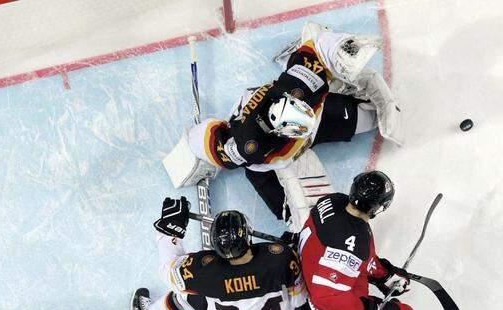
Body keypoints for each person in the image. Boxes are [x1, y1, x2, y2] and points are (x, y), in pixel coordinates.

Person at [163, 22, 403, 233]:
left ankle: (320, 82)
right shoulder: (248, 146)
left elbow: (319, 45)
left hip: (313, 122)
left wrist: (345, 51)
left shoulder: (302, 84)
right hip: (265, 162)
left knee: (368, 118)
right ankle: (286, 213)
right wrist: (196, 153)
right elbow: (205, 140)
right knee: (278, 196)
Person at [297, 171, 447, 310]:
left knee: (355, 282)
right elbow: (328, 296)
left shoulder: (332, 200)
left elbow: (361, 259)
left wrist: (385, 275)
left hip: (309, 272)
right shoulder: (355, 243)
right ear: (377, 207)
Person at [128, 197, 309, 310]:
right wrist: (296, 250)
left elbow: (168, 269)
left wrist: (169, 230)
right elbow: (299, 300)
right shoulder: (280, 258)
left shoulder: (203, 272)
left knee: (184, 294)